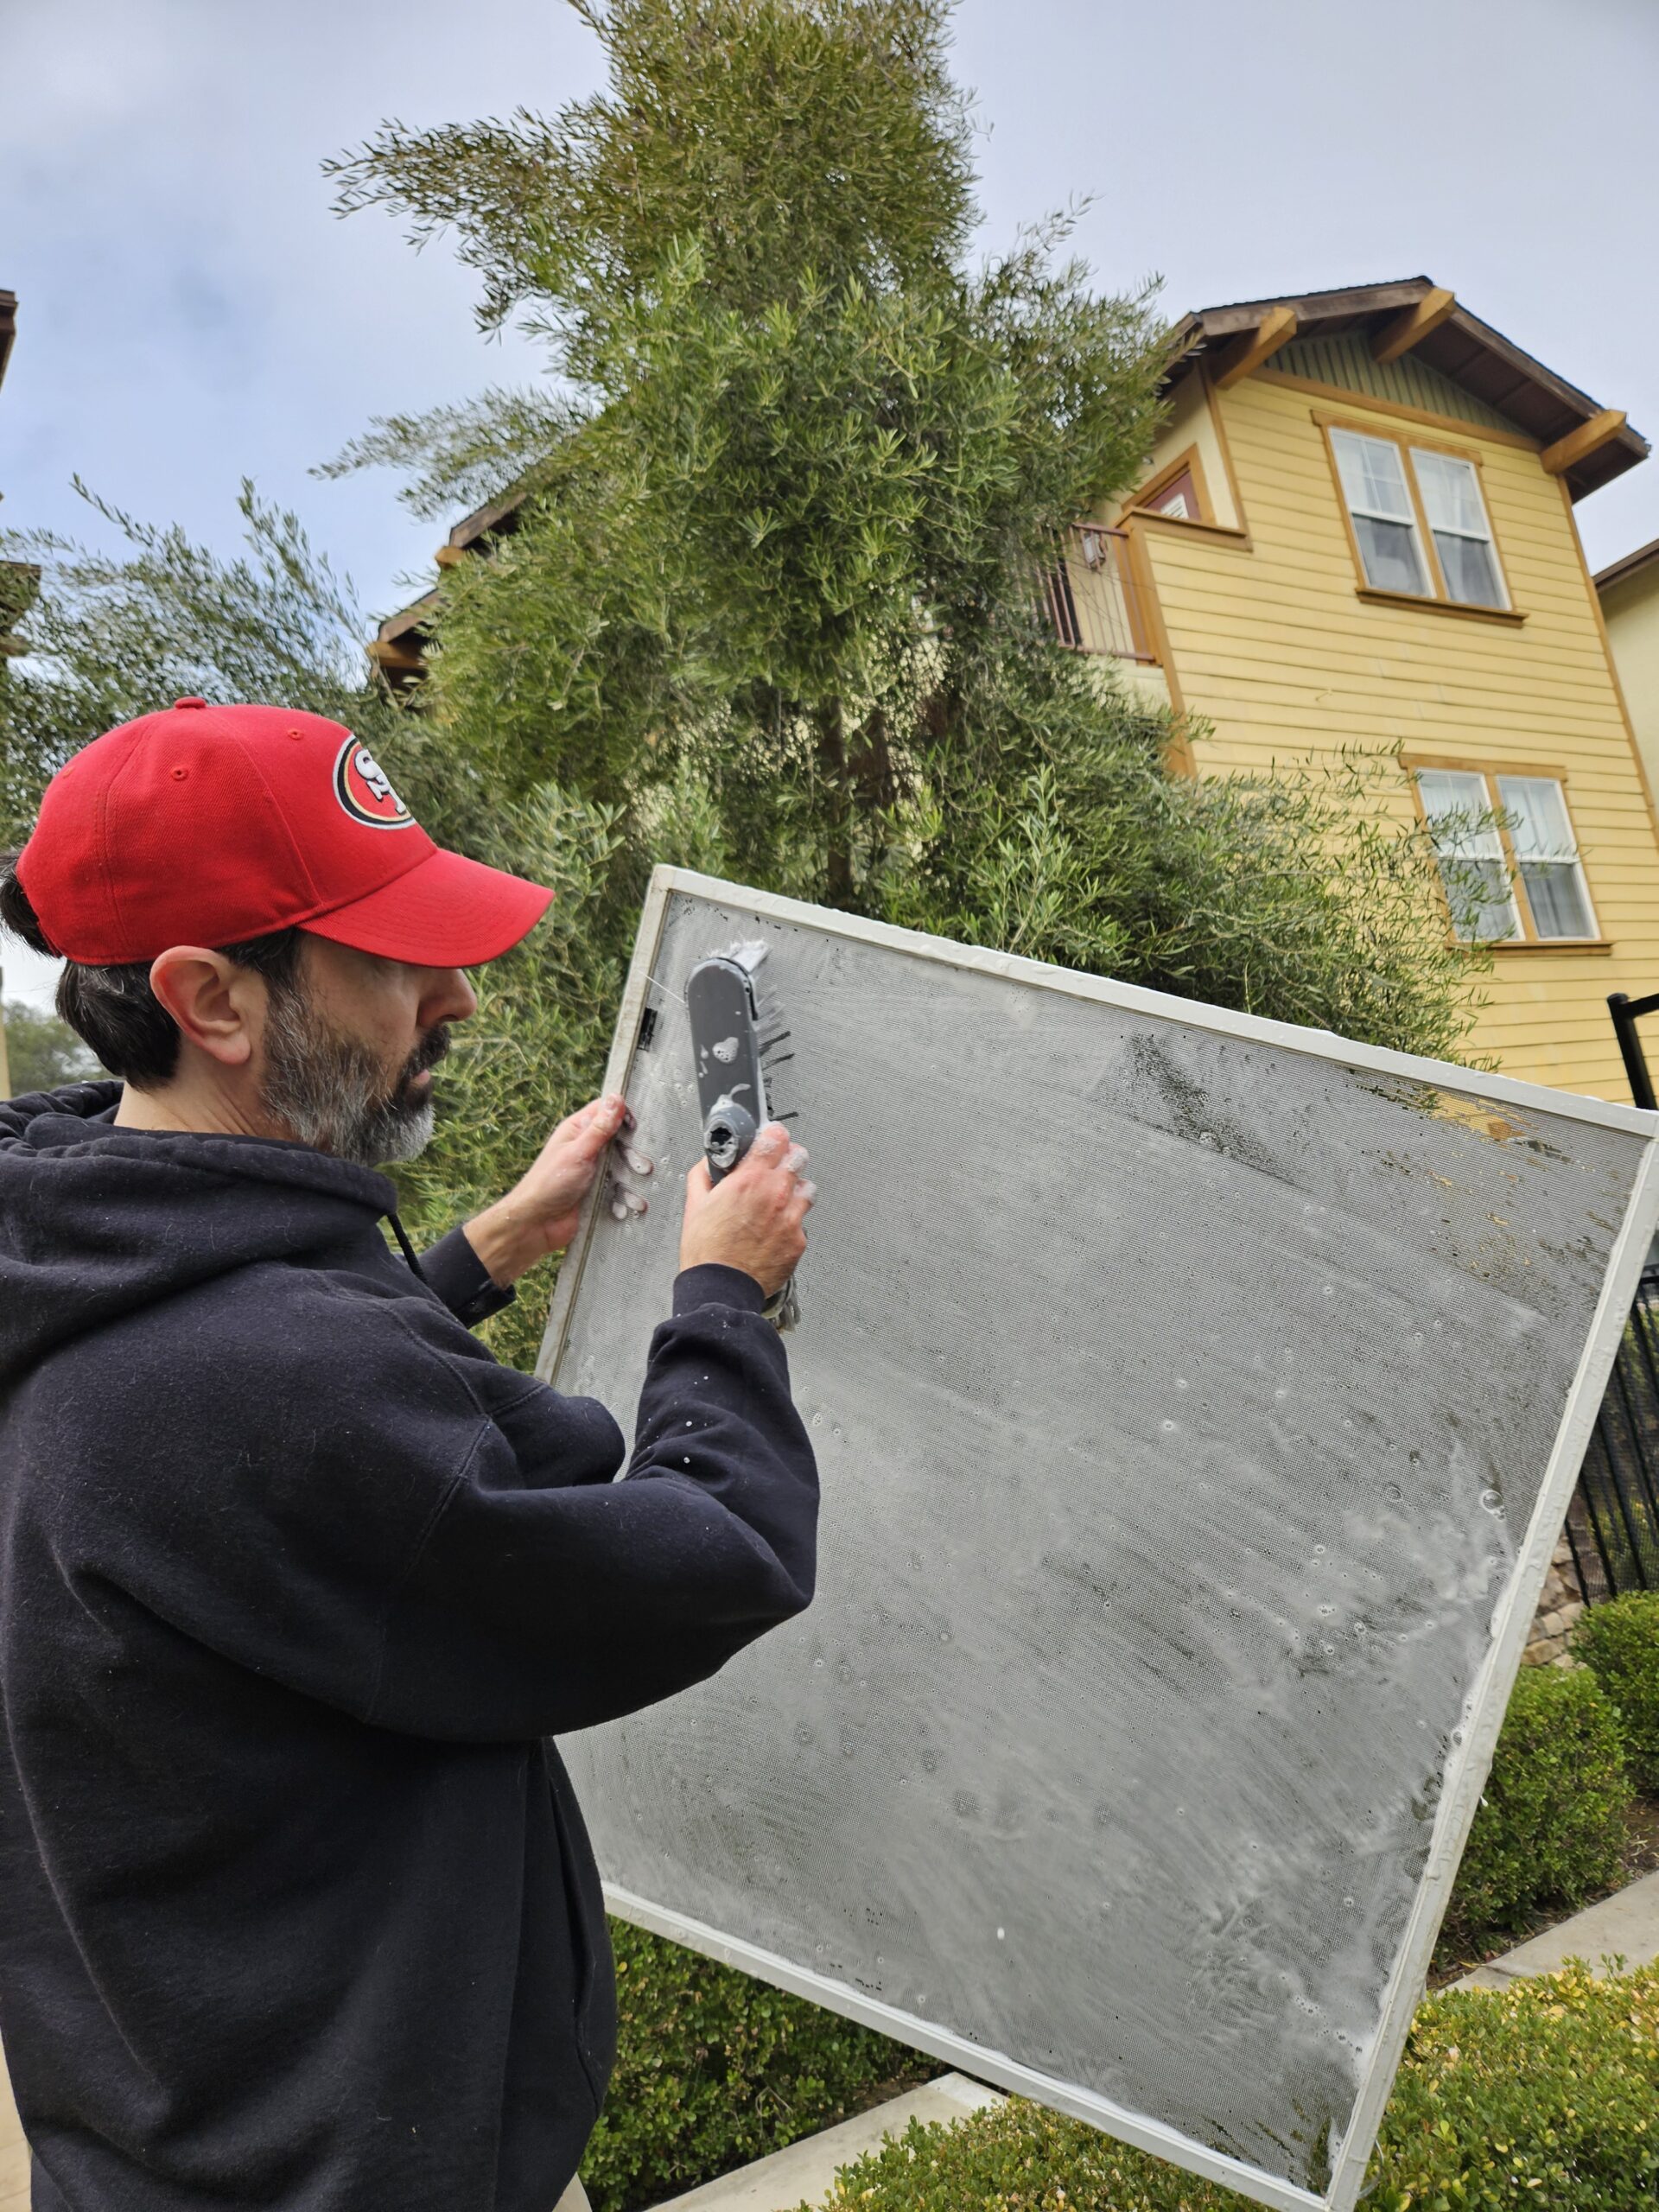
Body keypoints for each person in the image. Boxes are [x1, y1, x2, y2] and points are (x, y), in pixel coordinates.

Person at [0, 699, 818, 2212]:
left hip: (172, 2137)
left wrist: (487, 1248)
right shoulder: (268, 1382)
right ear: (211, 999)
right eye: (393, 955)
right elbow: (716, 1556)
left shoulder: (71, 1268)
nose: (460, 996)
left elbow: (253, 1457)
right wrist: (724, 1299)